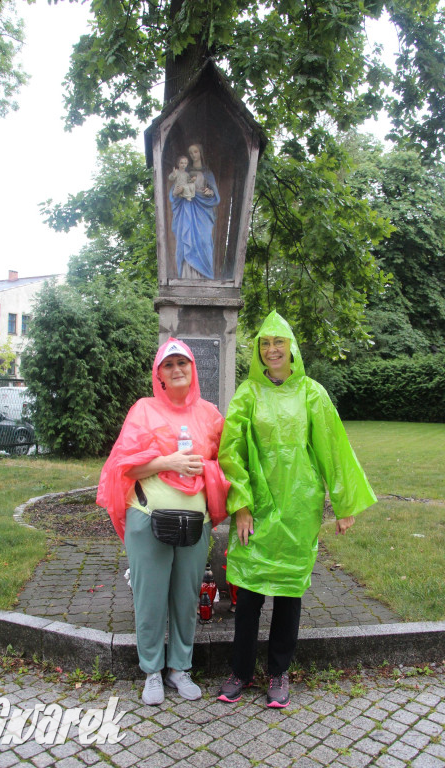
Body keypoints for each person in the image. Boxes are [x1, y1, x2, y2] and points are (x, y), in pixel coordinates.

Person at [217, 311, 377, 708]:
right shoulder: (247, 394)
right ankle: (240, 671)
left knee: (289, 594)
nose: (272, 350)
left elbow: (333, 447)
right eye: (265, 343)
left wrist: (343, 504)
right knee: (250, 593)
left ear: (292, 348)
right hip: (257, 508)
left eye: (279, 342)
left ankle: (278, 673)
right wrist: (240, 506)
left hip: (299, 508)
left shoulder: (312, 393)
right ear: (258, 350)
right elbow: (231, 453)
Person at [96, 338, 228, 706]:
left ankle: (179, 669)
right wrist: (168, 462)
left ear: (192, 369)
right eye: (168, 365)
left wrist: (211, 471)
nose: (176, 370)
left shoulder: (210, 415)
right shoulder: (144, 410)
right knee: (150, 597)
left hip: (194, 524)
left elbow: (229, 462)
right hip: (147, 519)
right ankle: (152, 671)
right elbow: (125, 466)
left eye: (182, 363)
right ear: (160, 375)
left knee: (186, 598)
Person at [169, 143, 220, 280]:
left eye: (195, 152)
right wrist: (176, 192)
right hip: (187, 210)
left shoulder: (208, 174)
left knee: (204, 242)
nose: (193, 155)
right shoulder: (184, 173)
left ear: (200, 153)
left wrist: (209, 192)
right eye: (190, 153)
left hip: (202, 213)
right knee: (186, 240)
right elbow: (173, 194)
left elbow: (215, 197)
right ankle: (188, 277)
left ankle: (205, 277)